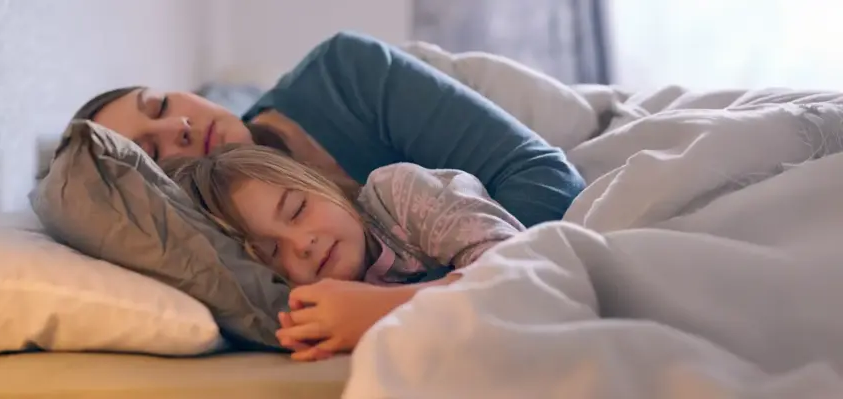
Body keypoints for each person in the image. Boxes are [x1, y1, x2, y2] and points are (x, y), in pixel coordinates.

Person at [72, 31, 585, 227]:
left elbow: (549, 178)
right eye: (152, 150)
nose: (178, 126)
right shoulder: (242, 243)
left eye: (160, 103)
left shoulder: (345, 72)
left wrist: (419, 293)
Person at [160, 144, 525, 361]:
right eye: (272, 253)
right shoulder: (296, 303)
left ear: (317, 181)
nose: (302, 244)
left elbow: (518, 267)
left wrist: (383, 307)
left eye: (297, 210)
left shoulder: (398, 194)